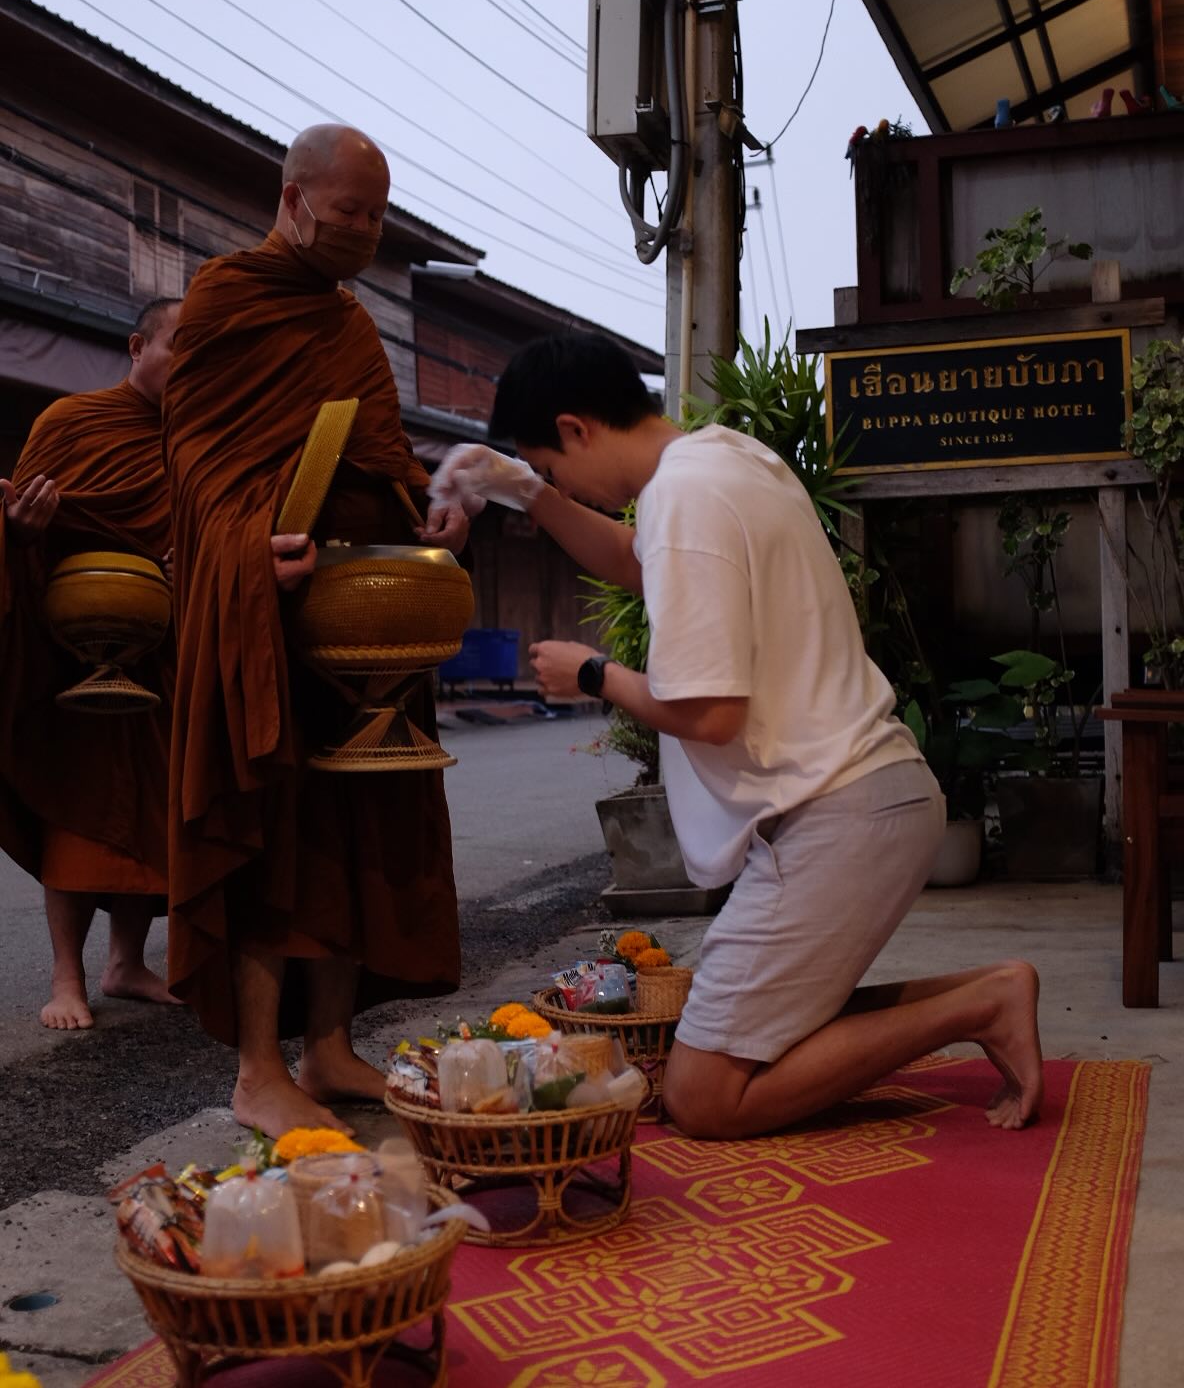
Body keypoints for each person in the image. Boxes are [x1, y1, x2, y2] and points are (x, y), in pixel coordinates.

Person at [429, 333, 1044, 1140]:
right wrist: (528, 493)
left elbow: (710, 713)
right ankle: (989, 990)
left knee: (707, 1095)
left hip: (838, 813)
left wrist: (591, 675)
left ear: (577, 429)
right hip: (865, 799)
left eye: (552, 465)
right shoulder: (720, 459)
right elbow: (633, 560)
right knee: (748, 1042)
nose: (558, 481)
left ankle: (982, 1005)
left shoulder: (683, 500)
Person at [161, 123, 468, 1139]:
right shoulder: (225, 299)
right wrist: (252, 546)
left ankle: (328, 1047)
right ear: (292, 199)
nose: (365, 234)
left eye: (377, 219)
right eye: (349, 215)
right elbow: (199, 463)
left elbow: (381, 451)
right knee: (273, 830)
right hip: (265, 613)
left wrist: (427, 508)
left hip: (356, 619)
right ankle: (257, 1069)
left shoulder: (346, 325)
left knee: (359, 821)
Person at [0, 298, 183, 1030]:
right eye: (181, 346)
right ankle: (66, 976)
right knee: (80, 808)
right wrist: (17, 531)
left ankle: (127, 963)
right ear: (139, 344)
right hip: (75, 649)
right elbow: (26, 522)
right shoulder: (70, 421)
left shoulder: (198, 443)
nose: (193, 365)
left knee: (153, 807)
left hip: (162, 648)